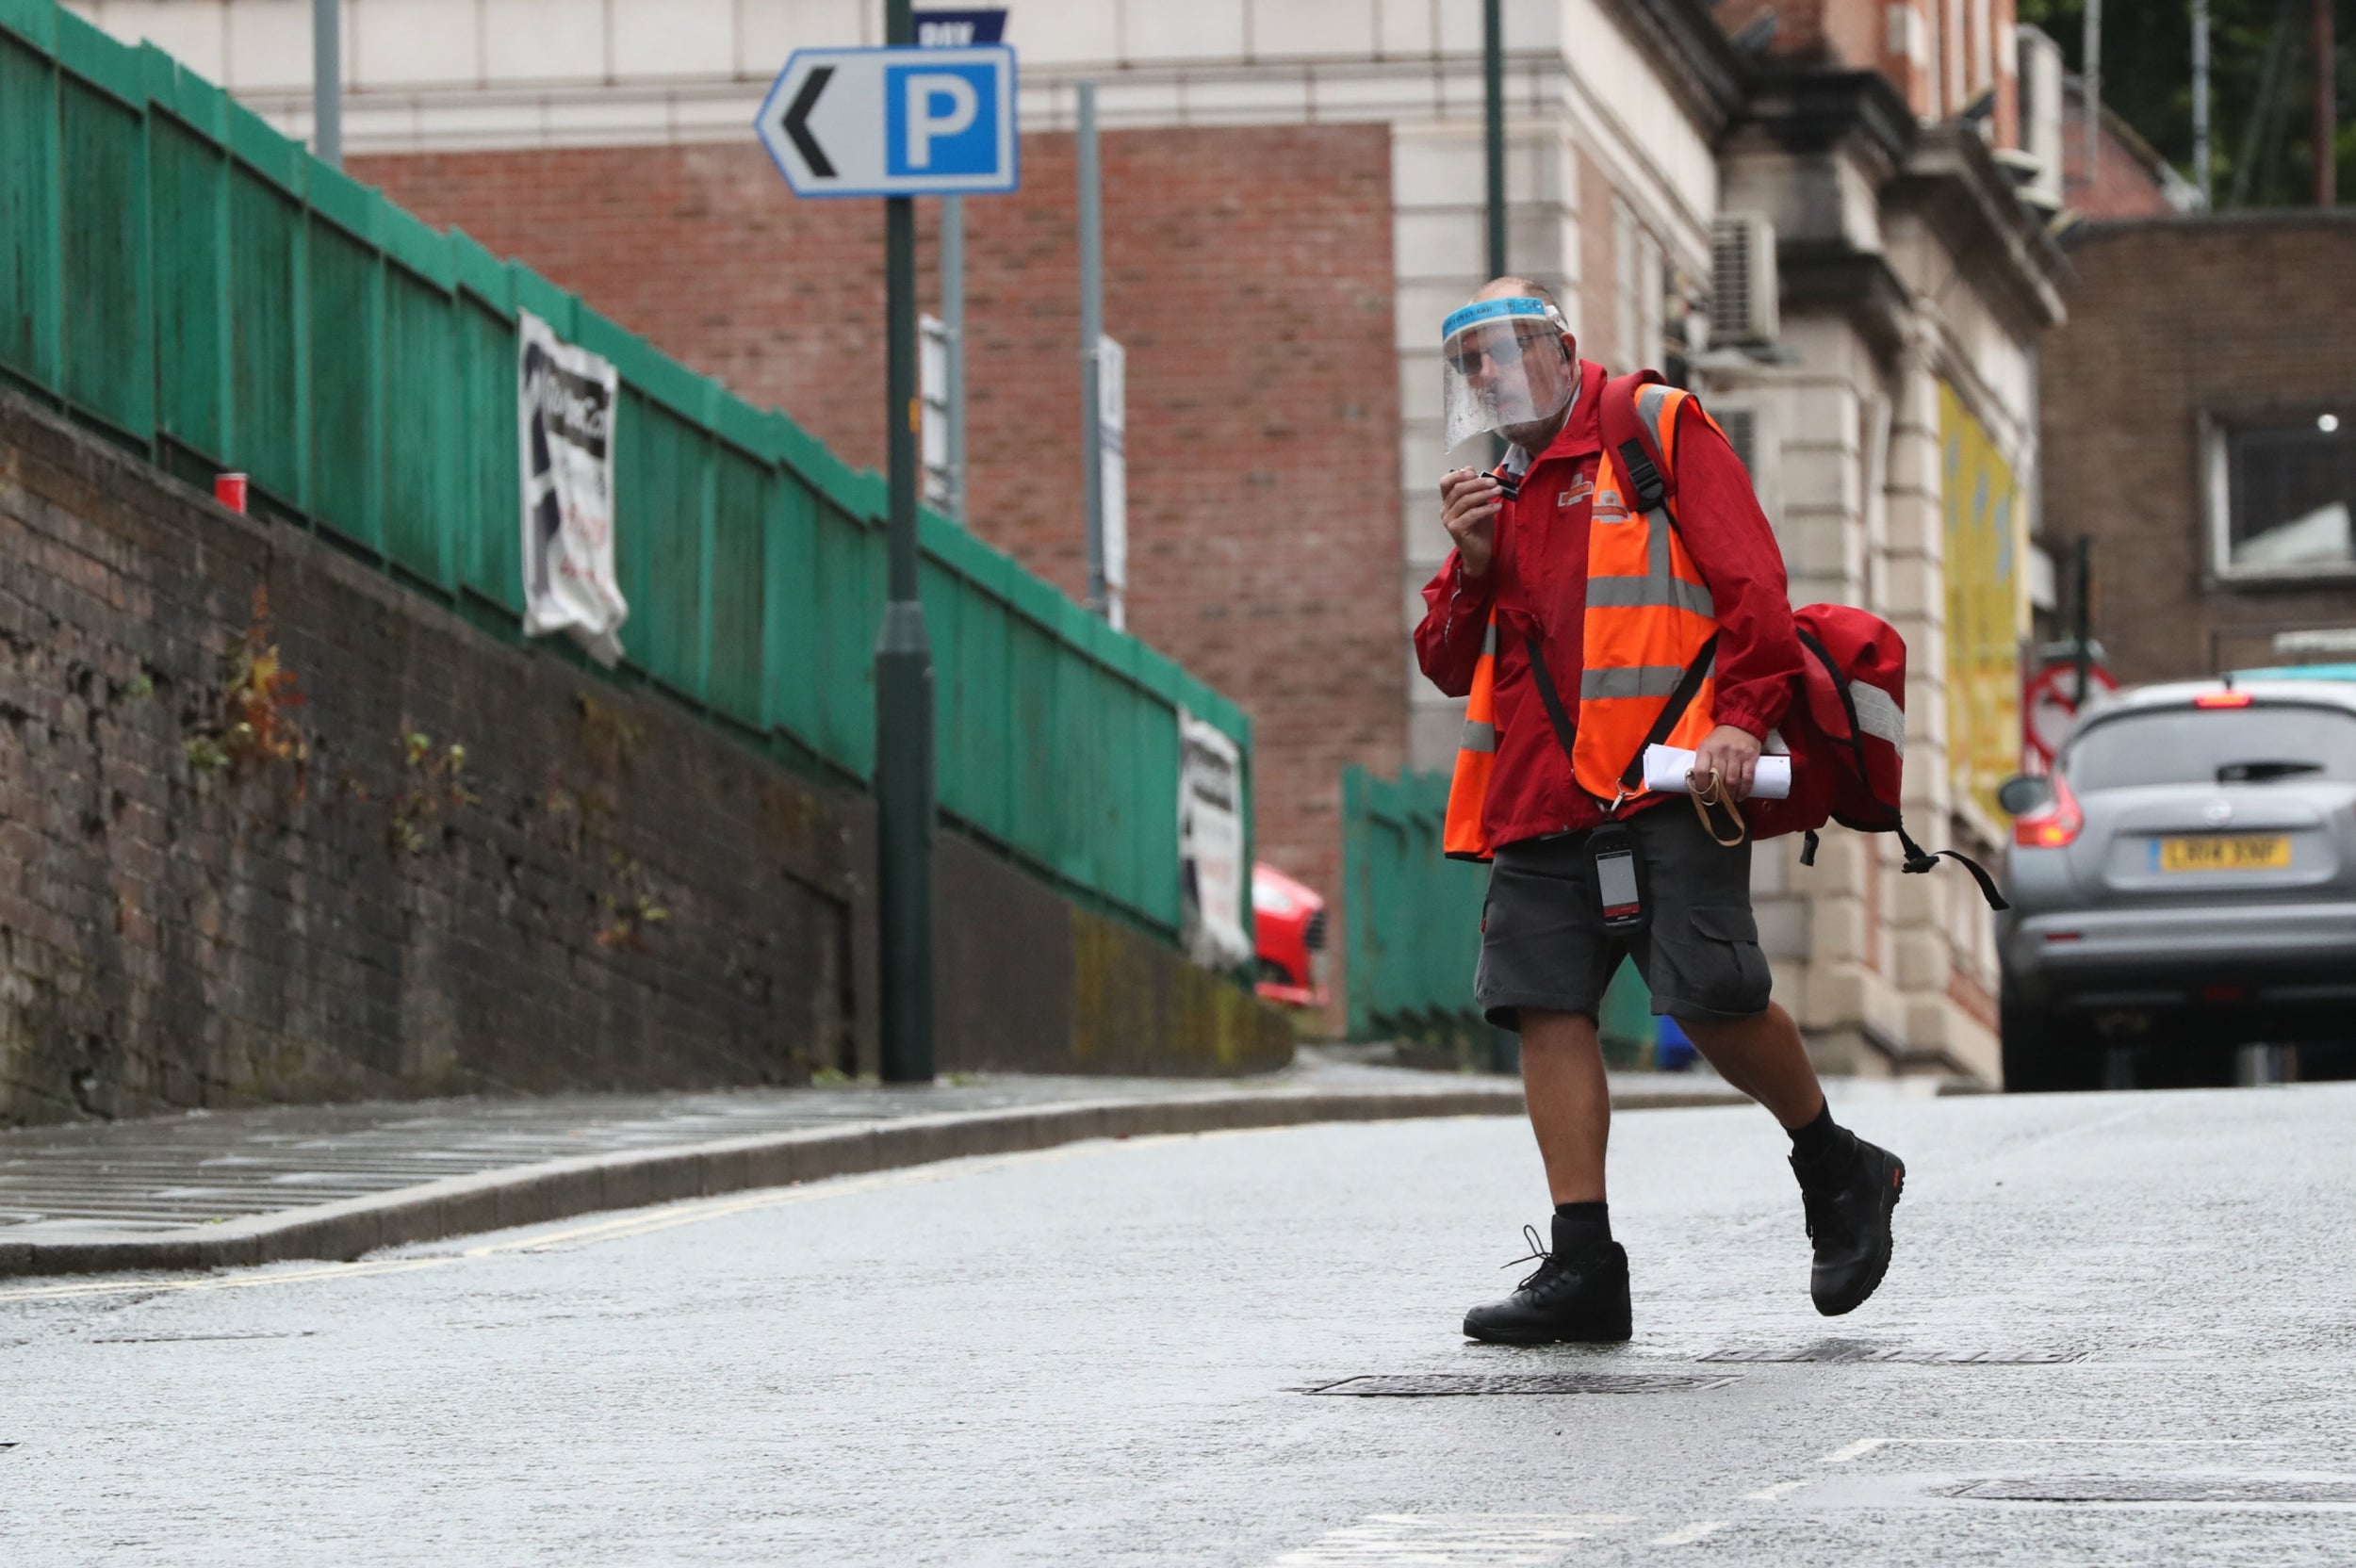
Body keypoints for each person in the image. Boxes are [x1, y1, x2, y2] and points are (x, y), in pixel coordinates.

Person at [1413, 277, 1906, 1345]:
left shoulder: (1655, 425)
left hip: (1672, 774)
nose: (1489, 374)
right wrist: (1471, 561)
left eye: (1505, 350)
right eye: (1470, 364)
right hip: (1539, 791)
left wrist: (1741, 719)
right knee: (1543, 1003)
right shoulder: (1495, 486)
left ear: (1561, 349)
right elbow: (1450, 663)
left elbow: (1752, 587)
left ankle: (1838, 1165)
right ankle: (1584, 1260)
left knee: (1711, 994)